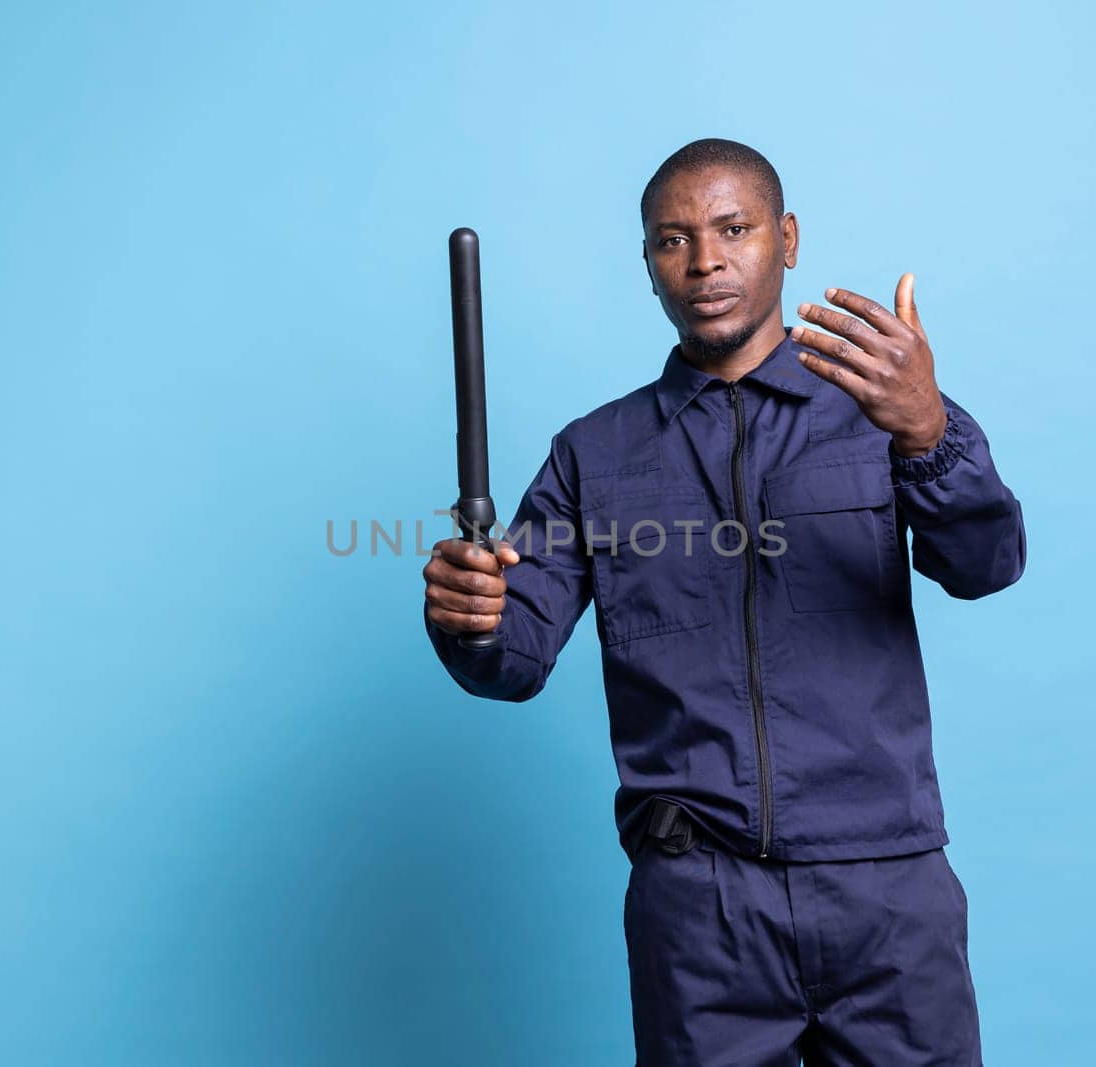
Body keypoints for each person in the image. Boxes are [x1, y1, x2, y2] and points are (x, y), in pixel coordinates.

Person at [421, 137, 1025, 1066]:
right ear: (649, 265)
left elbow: (987, 560)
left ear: (785, 239)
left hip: (886, 887)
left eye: (732, 229)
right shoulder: (596, 453)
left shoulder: (882, 408)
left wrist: (930, 433)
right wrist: (469, 618)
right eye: (673, 240)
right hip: (698, 907)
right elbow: (515, 655)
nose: (704, 262)